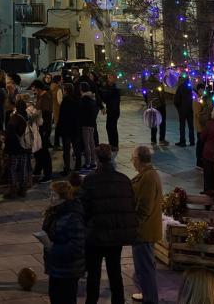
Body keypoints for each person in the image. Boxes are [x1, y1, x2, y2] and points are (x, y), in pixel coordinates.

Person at [80, 144, 139, 304]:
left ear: (97, 159)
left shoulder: (90, 180)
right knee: (115, 272)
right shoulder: (123, 179)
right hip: (115, 236)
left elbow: (83, 209)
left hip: (96, 236)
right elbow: (130, 205)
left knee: (94, 275)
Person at [39, 180, 86, 304]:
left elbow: (77, 246)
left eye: (54, 195)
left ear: (64, 198)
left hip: (68, 270)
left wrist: (52, 247)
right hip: (56, 266)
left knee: (66, 299)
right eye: (51, 194)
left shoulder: (72, 217)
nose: (51, 198)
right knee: (54, 297)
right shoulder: (54, 212)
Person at [131, 145, 164, 304]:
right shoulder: (146, 175)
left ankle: (150, 299)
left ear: (138, 160)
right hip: (143, 230)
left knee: (145, 269)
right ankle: (147, 294)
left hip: (144, 231)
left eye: (133, 158)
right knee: (143, 268)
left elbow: (144, 208)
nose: (132, 161)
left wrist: (134, 226)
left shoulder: (149, 178)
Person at [4, 100, 31, 198]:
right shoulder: (27, 116)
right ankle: (22, 189)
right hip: (24, 147)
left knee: (13, 168)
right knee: (23, 167)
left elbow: (10, 135)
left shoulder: (14, 118)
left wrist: (6, 149)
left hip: (15, 148)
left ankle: (13, 189)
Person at [58, 83, 83, 174]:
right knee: (77, 148)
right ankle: (78, 166)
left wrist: (59, 128)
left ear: (66, 90)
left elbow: (62, 116)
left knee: (66, 149)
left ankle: (67, 168)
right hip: (75, 127)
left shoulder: (65, 101)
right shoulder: (78, 99)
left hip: (67, 128)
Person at [78, 83, 99, 171]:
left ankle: (88, 163)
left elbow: (81, 112)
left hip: (86, 124)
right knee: (91, 142)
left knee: (86, 143)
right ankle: (93, 162)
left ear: (81, 89)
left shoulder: (84, 99)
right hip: (92, 123)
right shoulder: (92, 97)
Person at [192, 82, 213, 169]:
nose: (202, 91)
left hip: (204, 125)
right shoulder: (197, 99)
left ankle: (201, 161)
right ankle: (199, 162)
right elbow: (198, 114)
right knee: (200, 144)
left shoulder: (204, 98)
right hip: (200, 126)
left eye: (203, 89)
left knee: (203, 144)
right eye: (201, 90)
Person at [99, 73, 121, 152]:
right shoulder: (108, 87)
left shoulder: (115, 88)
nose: (109, 78)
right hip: (111, 110)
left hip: (114, 111)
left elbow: (109, 98)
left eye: (111, 77)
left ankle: (114, 145)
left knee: (112, 127)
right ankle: (112, 144)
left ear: (114, 79)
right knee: (109, 127)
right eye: (108, 77)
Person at [174, 77, 195, 147]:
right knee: (191, 126)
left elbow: (176, 100)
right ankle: (192, 141)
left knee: (182, 126)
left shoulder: (180, 87)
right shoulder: (191, 88)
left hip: (182, 110)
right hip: (190, 109)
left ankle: (182, 141)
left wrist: (178, 107)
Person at [148, 80, 168, 146]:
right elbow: (161, 95)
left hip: (152, 105)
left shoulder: (148, 83)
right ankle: (161, 140)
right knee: (162, 123)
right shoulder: (159, 83)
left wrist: (149, 103)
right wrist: (163, 103)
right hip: (160, 106)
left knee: (154, 123)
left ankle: (153, 140)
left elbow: (145, 95)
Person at [51, 76, 63, 148]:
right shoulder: (58, 89)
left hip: (53, 109)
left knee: (57, 128)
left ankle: (56, 144)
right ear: (58, 81)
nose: (62, 80)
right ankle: (57, 144)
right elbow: (60, 102)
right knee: (58, 128)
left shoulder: (51, 87)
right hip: (58, 110)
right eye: (61, 79)